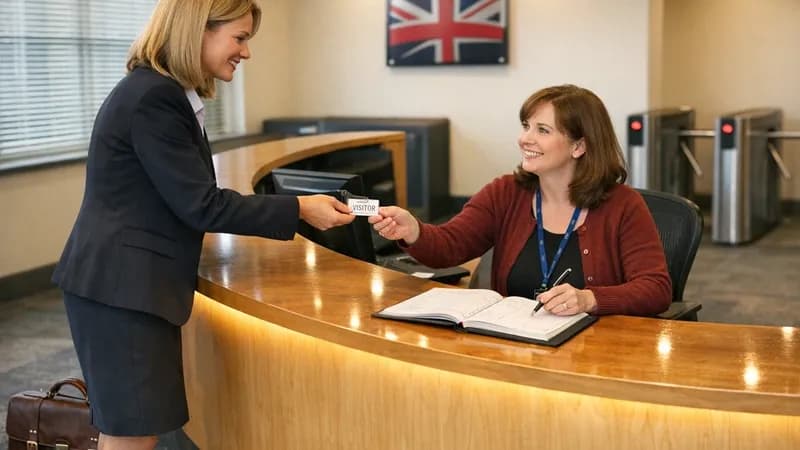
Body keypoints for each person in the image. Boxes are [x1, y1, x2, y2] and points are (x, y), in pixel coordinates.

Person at [51, 1, 354, 449]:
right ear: (198, 31)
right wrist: (300, 210)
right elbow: (202, 204)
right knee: (131, 436)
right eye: (240, 38)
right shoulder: (155, 97)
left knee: (133, 431)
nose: (245, 53)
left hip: (123, 286)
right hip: (120, 290)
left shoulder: (163, 91)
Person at [369, 84, 671, 317]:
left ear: (579, 146)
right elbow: (451, 245)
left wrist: (589, 299)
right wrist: (414, 231)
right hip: (516, 346)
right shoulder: (506, 193)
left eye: (542, 130)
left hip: (593, 355)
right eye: (526, 125)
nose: (525, 138)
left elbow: (656, 289)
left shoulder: (623, 205)